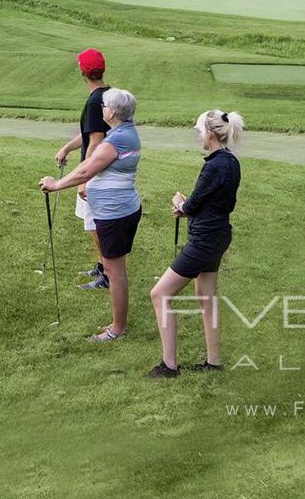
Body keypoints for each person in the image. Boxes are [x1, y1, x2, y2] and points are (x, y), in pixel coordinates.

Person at [146, 109, 245, 379]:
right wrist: (189, 207)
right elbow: (218, 202)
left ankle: (169, 366)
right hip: (219, 235)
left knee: (160, 294)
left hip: (204, 240)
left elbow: (192, 204)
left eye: (200, 132)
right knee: (206, 297)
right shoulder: (231, 162)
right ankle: (213, 362)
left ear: (211, 134)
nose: (198, 136)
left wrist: (180, 203)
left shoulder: (213, 165)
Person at [40, 87, 142, 343]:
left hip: (115, 214)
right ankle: (117, 323)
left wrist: (56, 185)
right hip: (119, 210)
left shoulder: (116, 140)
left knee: (115, 271)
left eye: (105, 106)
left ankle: (117, 329)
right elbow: (89, 166)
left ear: (113, 112)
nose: (103, 110)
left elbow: (87, 170)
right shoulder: (123, 133)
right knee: (111, 266)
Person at [53, 49, 111, 291]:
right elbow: (89, 135)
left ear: (82, 72)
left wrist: (83, 180)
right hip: (106, 165)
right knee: (95, 224)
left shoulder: (94, 101)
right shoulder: (109, 94)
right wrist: (67, 148)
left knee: (94, 225)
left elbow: (95, 142)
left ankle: (107, 275)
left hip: (97, 170)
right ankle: (101, 265)